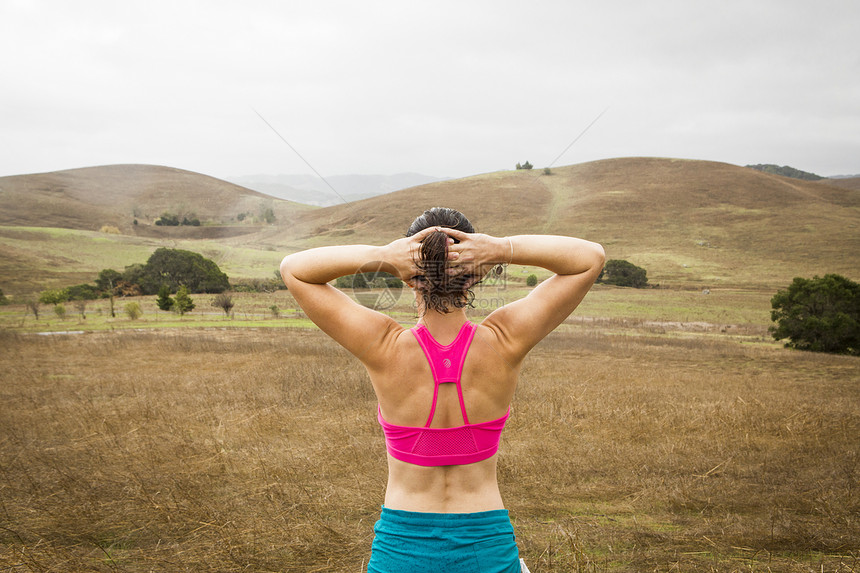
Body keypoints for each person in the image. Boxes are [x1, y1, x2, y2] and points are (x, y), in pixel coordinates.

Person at [279, 207, 605, 573]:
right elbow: (590, 258)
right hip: (487, 547)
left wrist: (386, 256)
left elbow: (294, 269)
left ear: (407, 276)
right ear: (477, 275)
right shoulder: (505, 340)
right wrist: (499, 249)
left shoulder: (384, 347)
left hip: (401, 550)